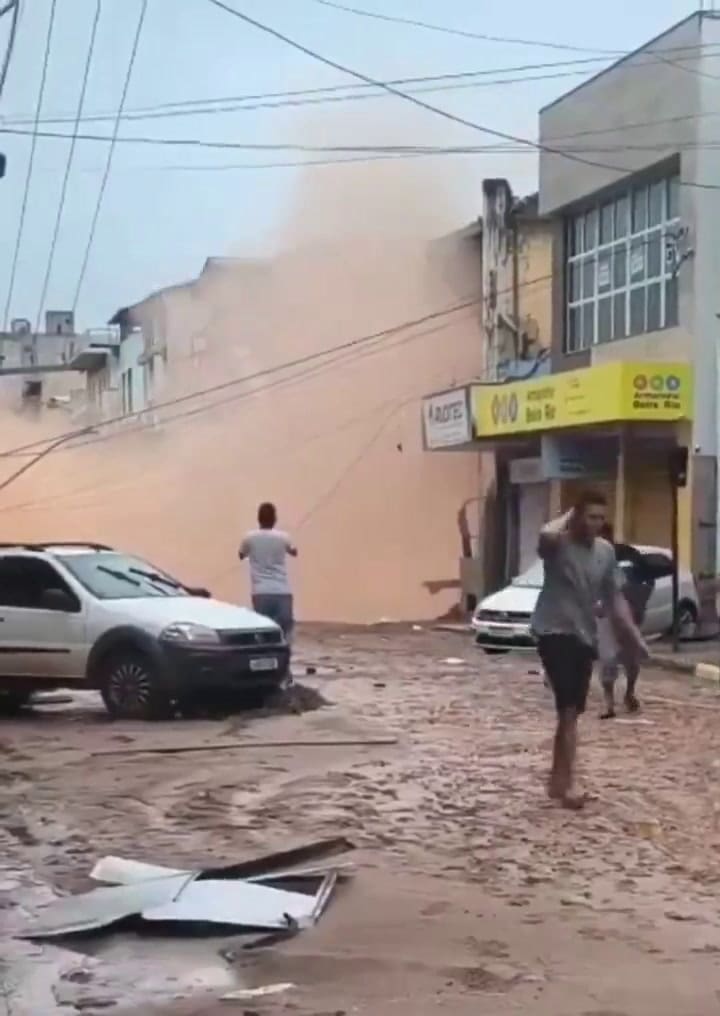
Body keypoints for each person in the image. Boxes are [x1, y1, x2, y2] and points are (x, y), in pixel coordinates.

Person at [531, 491, 647, 810]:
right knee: (568, 709)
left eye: (600, 517)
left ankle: (557, 780)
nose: (596, 523)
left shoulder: (606, 552)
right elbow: (545, 535)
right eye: (590, 516)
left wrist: (634, 637)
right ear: (577, 516)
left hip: (584, 635)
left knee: (571, 712)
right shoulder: (558, 545)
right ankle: (568, 785)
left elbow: (616, 599)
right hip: (553, 630)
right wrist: (567, 514)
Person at [597, 523, 654, 720]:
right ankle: (608, 701)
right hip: (605, 616)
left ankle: (629, 692)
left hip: (629, 614)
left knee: (632, 659)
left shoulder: (627, 555)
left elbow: (645, 582)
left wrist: (638, 603)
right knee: (608, 658)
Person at [239, 502, 297, 644]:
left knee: (263, 632)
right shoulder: (283, 537)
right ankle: (283, 658)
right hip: (282, 592)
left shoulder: (249, 538)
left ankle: (265, 658)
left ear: (258, 518)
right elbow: (294, 551)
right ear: (275, 519)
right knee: (284, 632)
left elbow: (241, 555)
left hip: (260, 592)